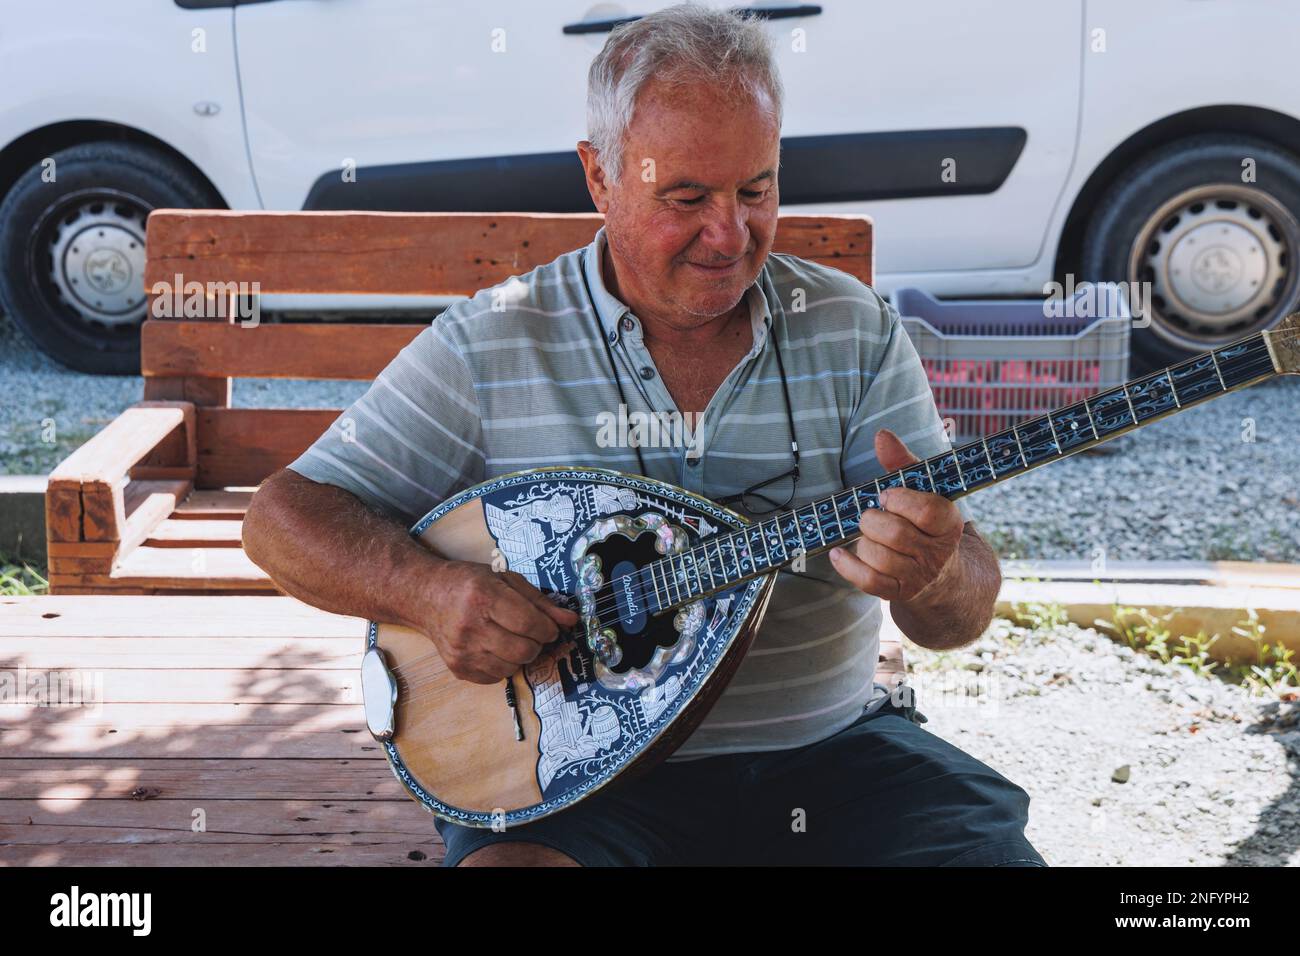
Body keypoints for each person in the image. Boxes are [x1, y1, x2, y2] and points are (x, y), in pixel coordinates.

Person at [242, 2, 1046, 867]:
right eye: (687, 196)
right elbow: (280, 520)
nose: (729, 234)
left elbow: (955, 613)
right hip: (572, 783)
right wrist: (428, 594)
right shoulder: (495, 342)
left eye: (755, 189)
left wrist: (933, 572)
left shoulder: (851, 330)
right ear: (599, 176)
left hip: (832, 762)